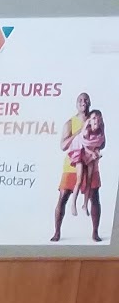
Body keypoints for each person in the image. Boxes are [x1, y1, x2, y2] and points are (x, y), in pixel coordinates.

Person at [53, 91, 94, 241]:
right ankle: (57, 232)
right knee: (63, 196)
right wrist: (79, 132)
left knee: (94, 196)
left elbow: (102, 142)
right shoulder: (70, 123)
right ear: (76, 104)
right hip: (72, 164)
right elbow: (63, 146)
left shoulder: (95, 119)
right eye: (80, 100)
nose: (83, 102)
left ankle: (95, 232)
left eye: (86, 100)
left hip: (90, 163)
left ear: (90, 103)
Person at [67, 104, 104, 242]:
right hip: (80, 153)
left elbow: (99, 144)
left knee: (89, 180)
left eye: (98, 119)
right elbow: (83, 143)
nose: (96, 121)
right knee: (79, 179)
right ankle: (73, 204)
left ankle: (84, 204)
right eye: (94, 119)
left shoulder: (99, 132)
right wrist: (92, 152)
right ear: (89, 120)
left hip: (90, 155)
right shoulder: (87, 130)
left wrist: (96, 153)